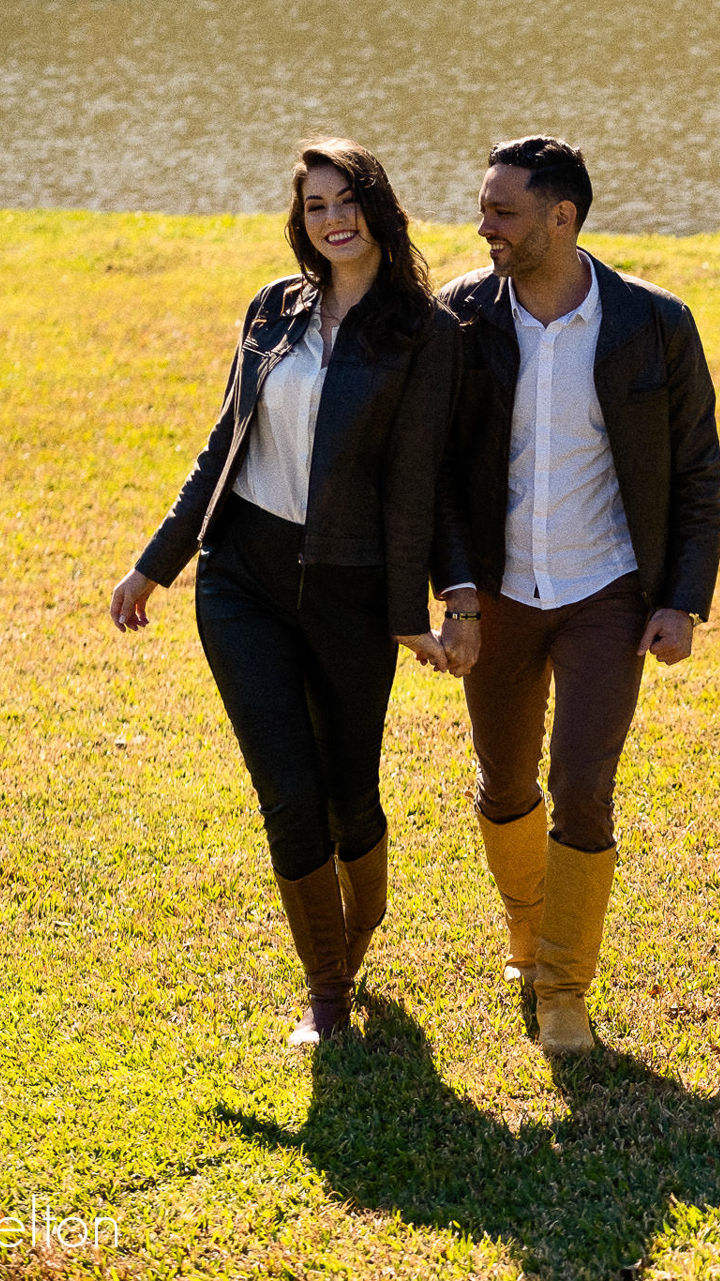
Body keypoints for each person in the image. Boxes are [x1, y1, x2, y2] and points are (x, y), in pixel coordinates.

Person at [109, 139, 469, 1045]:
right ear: (300, 220)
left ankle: (358, 934)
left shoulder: (426, 335)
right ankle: (328, 995)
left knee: (351, 793)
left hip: (348, 590)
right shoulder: (275, 310)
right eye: (314, 206)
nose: (331, 219)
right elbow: (222, 446)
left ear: (377, 208)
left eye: (345, 200)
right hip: (243, 581)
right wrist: (158, 562)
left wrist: (409, 616)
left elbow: (419, 482)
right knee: (288, 792)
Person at [435, 135, 720, 1055]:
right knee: (505, 782)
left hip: (607, 591)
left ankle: (564, 986)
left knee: (584, 788)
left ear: (562, 218)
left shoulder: (655, 324)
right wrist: (461, 591)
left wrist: (681, 597)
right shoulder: (461, 319)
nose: (486, 227)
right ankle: (527, 929)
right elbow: (433, 473)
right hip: (501, 595)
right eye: (484, 208)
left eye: (504, 212)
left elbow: (696, 473)